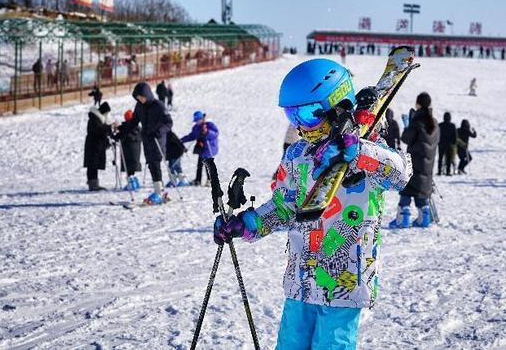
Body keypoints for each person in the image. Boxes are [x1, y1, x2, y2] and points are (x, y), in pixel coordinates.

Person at [212, 58, 410, 349]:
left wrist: (358, 151)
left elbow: (400, 173)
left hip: (345, 282)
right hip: (300, 281)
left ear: (336, 104)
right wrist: (245, 224)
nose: (300, 125)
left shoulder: (366, 151)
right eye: (293, 117)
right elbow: (283, 206)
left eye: (307, 114)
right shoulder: (297, 154)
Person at [390, 92, 438, 228]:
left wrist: (408, 125)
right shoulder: (434, 123)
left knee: (407, 190)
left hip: (414, 163)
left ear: (418, 104)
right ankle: (425, 219)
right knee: (421, 191)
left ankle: (403, 220)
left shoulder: (417, 121)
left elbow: (406, 138)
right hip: (427, 166)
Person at [119, 82, 173, 204]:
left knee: (155, 163)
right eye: (138, 98)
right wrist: (121, 132)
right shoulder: (139, 107)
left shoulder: (158, 105)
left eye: (141, 97)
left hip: (157, 139)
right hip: (146, 139)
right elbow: (133, 122)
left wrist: (159, 131)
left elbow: (168, 123)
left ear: (147, 94)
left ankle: (159, 192)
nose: (140, 99)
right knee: (151, 164)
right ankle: (160, 191)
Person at [180, 111, 219, 186]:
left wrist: (207, 132)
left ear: (202, 119)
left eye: (198, 120)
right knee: (199, 165)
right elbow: (191, 136)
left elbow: (215, 134)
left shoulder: (209, 125)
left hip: (209, 147)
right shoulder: (196, 127)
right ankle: (198, 180)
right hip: (202, 147)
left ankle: (210, 180)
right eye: (196, 121)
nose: (197, 122)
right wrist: (181, 140)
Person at [83, 102, 113, 191]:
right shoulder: (94, 118)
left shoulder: (99, 119)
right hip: (93, 145)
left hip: (96, 145)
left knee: (94, 164)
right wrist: (109, 127)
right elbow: (99, 129)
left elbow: (102, 130)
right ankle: (92, 184)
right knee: (92, 165)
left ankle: (94, 183)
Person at [113, 109, 142, 191]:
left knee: (128, 166)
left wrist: (113, 134)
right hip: (137, 150)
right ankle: (134, 182)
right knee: (133, 165)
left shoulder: (125, 128)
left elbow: (118, 136)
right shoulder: (138, 128)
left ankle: (131, 183)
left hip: (127, 151)